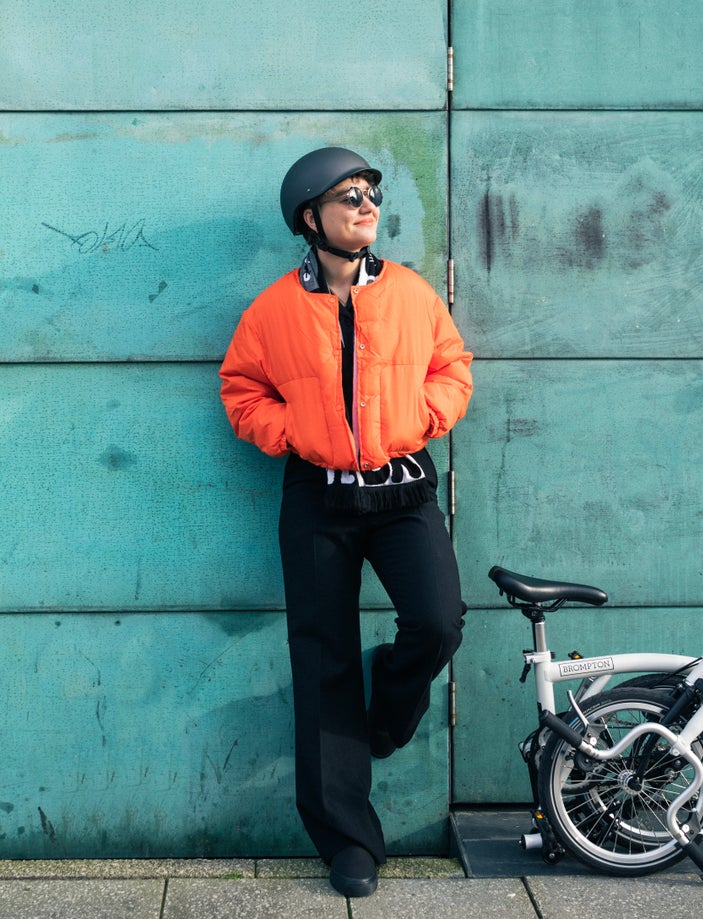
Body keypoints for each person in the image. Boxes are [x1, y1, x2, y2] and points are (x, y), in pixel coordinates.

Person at [219, 147, 473, 898]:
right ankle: (348, 841)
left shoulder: (411, 294)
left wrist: (423, 417)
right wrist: (293, 433)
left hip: (401, 491)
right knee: (321, 655)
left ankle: (388, 713)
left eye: (371, 196)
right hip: (317, 497)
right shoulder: (272, 310)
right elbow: (241, 388)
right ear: (310, 218)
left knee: (437, 621)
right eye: (349, 197)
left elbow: (452, 367)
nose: (366, 207)